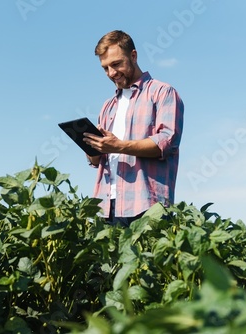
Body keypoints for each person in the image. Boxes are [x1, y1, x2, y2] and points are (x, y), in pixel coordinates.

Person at [83, 30, 184, 227]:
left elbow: (166, 142)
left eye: (116, 64)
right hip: (107, 206)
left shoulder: (162, 93)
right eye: (105, 68)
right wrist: (92, 147)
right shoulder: (108, 106)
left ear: (134, 56)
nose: (111, 73)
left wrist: (118, 146)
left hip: (148, 206)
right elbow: (96, 161)